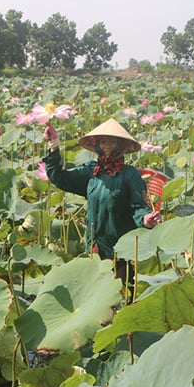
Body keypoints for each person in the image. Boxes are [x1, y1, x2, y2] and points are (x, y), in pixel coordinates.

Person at [42, 118, 162, 276]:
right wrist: (54, 144)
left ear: (121, 146)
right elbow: (60, 178)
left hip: (122, 252)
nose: (107, 147)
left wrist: (146, 219)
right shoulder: (91, 172)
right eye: (103, 142)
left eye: (112, 142)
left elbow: (139, 207)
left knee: (123, 293)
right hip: (94, 248)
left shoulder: (130, 175)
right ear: (96, 144)